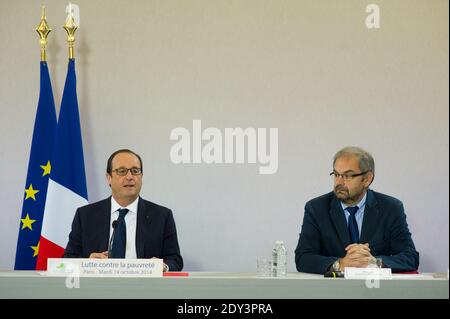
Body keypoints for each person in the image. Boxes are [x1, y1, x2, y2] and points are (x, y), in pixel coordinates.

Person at [295, 146, 419, 274]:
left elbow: (410, 257)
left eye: (347, 176)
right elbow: (303, 258)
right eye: (336, 174)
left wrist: (374, 263)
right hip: (331, 291)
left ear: (367, 179)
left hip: (377, 291)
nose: (339, 182)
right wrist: (340, 264)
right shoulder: (316, 208)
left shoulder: (390, 208)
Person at [64, 149, 183, 271]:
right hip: (99, 287)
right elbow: (68, 258)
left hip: (145, 287)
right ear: (109, 177)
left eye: (135, 171)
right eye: (122, 171)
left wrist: (162, 266)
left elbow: (175, 260)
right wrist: (88, 262)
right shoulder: (85, 216)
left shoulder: (162, 216)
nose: (130, 177)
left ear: (141, 176)